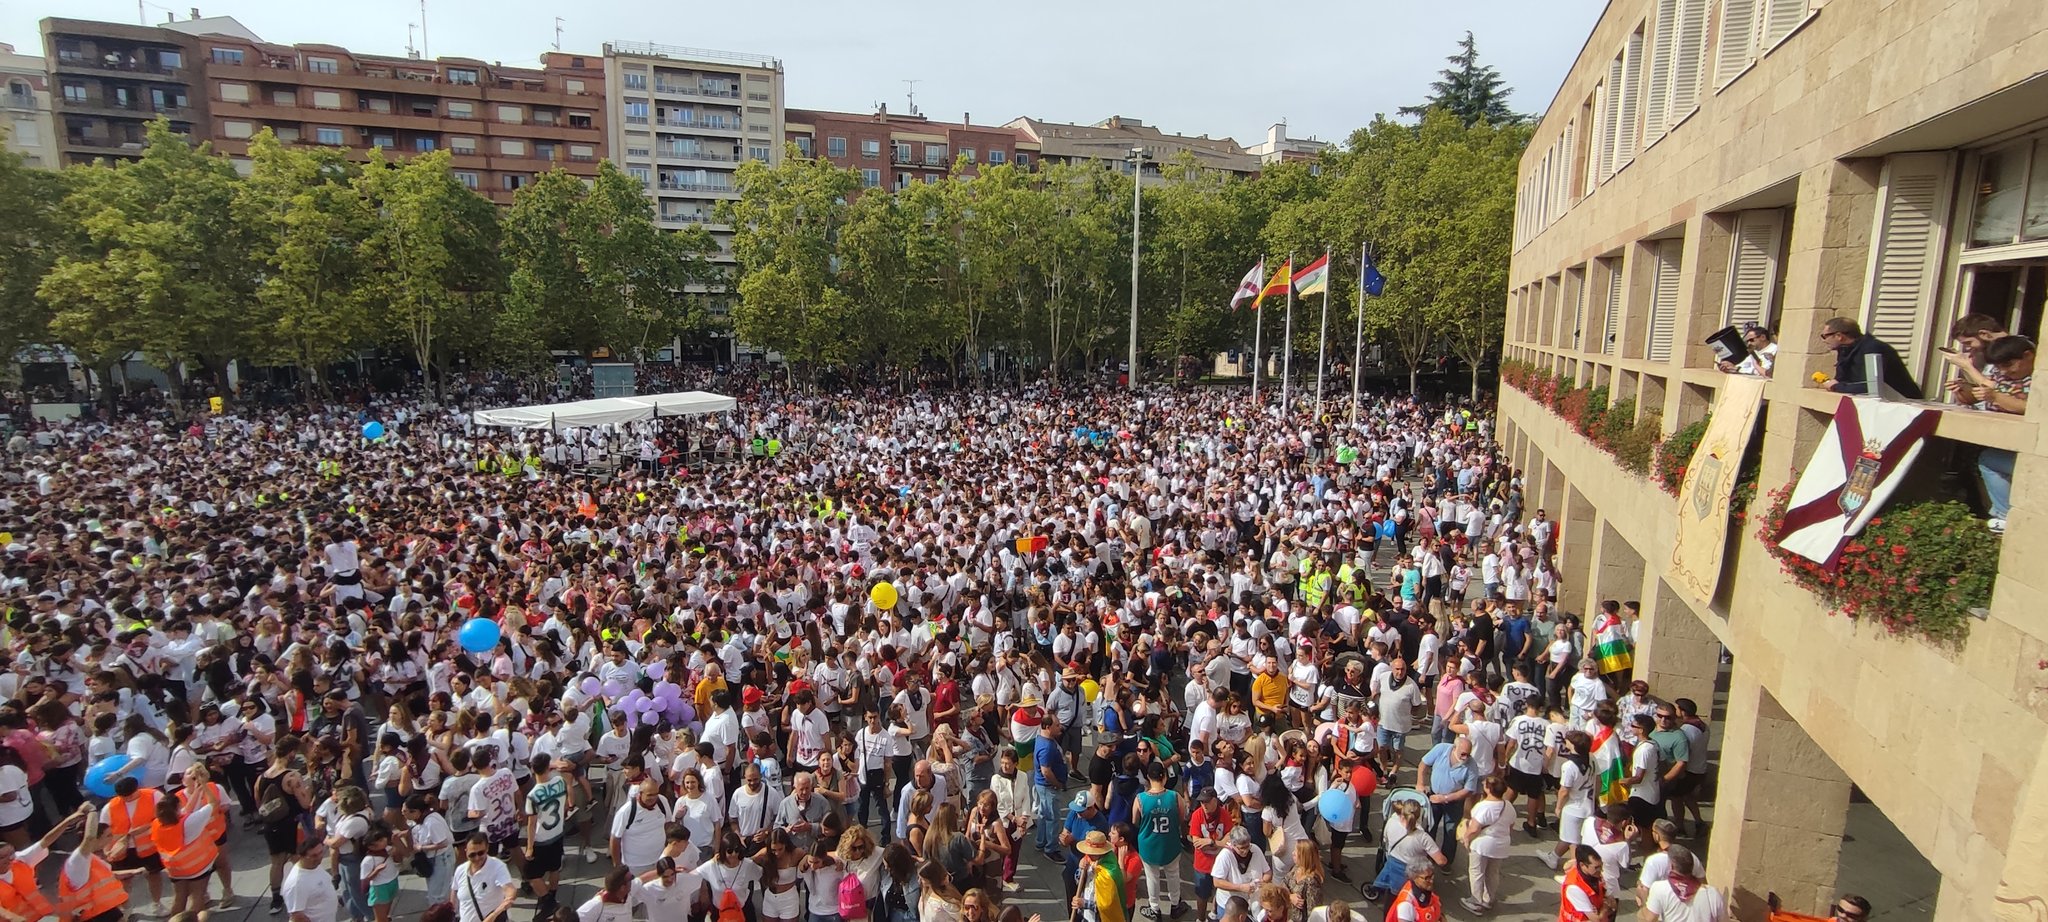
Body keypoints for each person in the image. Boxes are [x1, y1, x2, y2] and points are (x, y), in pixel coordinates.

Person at [1815, 317, 1922, 398]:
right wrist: (1835, 384)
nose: (1824, 340)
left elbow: (1871, 386)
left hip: (1901, 404)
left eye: (1825, 336)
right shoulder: (1845, 349)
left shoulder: (1872, 348)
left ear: (1839, 336)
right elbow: (1843, 379)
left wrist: (1836, 387)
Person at [1134, 761, 1186, 920]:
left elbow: (1135, 820)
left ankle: (1154, 908)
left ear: (1148, 777)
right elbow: (1182, 818)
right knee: (1173, 873)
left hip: (1149, 844)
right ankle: (1175, 905)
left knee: (1152, 877)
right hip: (1170, 842)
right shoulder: (1174, 796)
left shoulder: (1140, 799)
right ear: (1163, 777)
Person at [1457, 775, 1513, 915]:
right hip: (1501, 844)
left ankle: (1475, 901)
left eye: (1485, 784)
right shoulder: (1508, 806)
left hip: (1482, 844)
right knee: (1493, 872)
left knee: (1476, 872)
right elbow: (1511, 826)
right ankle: (1489, 899)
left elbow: (1474, 828)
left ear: (1489, 789)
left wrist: (1466, 838)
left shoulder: (1483, 807)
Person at [1641, 845, 1724, 921]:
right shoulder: (1713, 893)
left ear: (1671, 866)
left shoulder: (1659, 888)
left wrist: (1643, 904)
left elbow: (1649, 919)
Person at [451, 833, 518, 922]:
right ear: (466, 851)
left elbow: (510, 891)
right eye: (472, 855)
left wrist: (494, 915)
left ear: (487, 848)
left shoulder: (497, 867)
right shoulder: (460, 870)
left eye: (481, 853)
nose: (477, 858)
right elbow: (454, 894)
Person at [282, 838, 341, 922]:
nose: (320, 857)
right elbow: (297, 917)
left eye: (321, 852)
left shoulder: (313, 865)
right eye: (314, 855)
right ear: (301, 856)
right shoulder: (296, 883)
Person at [1070, 831, 1125, 922]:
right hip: (1085, 915)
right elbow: (1079, 882)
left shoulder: (1109, 872)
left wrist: (1085, 903)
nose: (1088, 854)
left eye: (1092, 852)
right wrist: (1080, 870)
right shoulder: (1088, 858)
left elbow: (1107, 906)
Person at [1560, 844, 1615, 922]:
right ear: (1582, 865)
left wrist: (1605, 909)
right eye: (1596, 867)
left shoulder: (1595, 874)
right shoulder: (1574, 887)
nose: (1601, 870)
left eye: (1601, 866)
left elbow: (1613, 903)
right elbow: (1596, 919)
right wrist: (1605, 907)